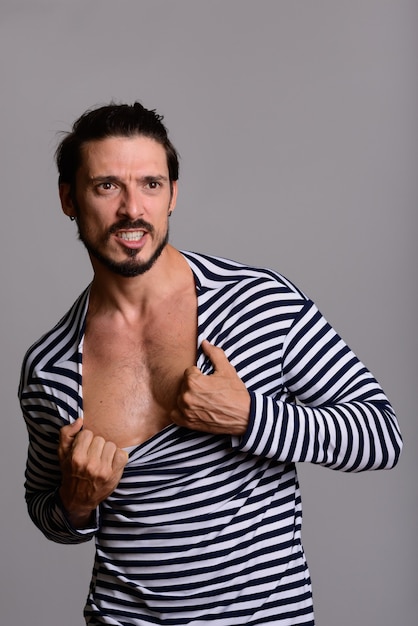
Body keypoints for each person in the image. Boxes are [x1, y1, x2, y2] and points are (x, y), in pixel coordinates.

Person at [19, 102, 402, 626]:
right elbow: (48, 511)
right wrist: (76, 503)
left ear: (173, 195)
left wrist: (251, 417)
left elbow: (381, 436)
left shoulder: (258, 302)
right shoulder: (50, 367)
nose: (133, 209)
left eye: (151, 184)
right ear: (69, 198)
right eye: (107, 186)